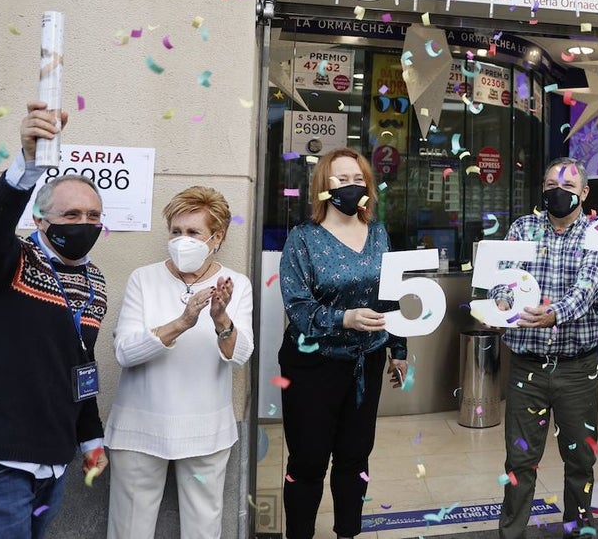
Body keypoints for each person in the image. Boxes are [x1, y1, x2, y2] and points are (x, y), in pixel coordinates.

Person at [106, 186, 255, 538]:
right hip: (139, 427)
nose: (181, 240)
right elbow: (124, 352)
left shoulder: (236, 284)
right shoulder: (143, 278)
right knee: (129, 530)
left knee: (203, 529)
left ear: (217, 237)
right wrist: (182, 322)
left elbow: (239, 356)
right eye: (176, 231)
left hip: (206, 430)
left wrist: (221, 319)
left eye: (193, 232)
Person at [0, 101, 109, 538]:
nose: (84, 224)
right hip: (3, 459)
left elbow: (81, 365)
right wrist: (26, 164)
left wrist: (90, 438)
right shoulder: (14, 260)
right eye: (71, 215)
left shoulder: (95, 282)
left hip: (56, 460)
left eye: (93, 216)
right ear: (40, 220)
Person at [279, 147, 407, 539]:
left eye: (358, 179)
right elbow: (297, 307)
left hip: (365, 362)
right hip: (312, 366)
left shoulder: (379, 234)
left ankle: (347, 533)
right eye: (342, 179)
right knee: (308, 461)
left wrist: (398, 350)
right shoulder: (303, 240)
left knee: (354, 458)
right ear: (323, 185)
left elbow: (391, 298)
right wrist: (344, 318)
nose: (351, 186)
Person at [496, 157, 598, 539]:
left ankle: (577, 531)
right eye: (550, 185)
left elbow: (588, 288)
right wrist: (500, 302)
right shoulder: (522, 228)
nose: (558, 192)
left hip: (577, 369)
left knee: (580, 460)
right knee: (519, 461)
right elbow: (503, 280)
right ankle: (511, 534)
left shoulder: (597, 234)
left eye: (567, 186)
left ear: (584, 192)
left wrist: (555, 314)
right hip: (526, 367)